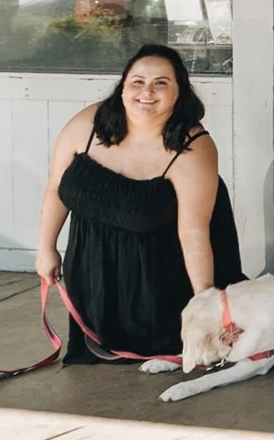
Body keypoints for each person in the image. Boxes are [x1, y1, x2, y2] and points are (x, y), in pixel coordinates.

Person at [35, 44, 244, 363]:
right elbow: (55, 189)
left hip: (158, 281)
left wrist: (204, 303)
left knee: (161, 358)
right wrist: (45, 248)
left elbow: (193, 234)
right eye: (137, 81)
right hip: (91, 268)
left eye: (161, 82)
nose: (147, 91)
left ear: (179, 92)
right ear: (122, 87)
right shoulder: (86, 124)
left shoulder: (193, 148)